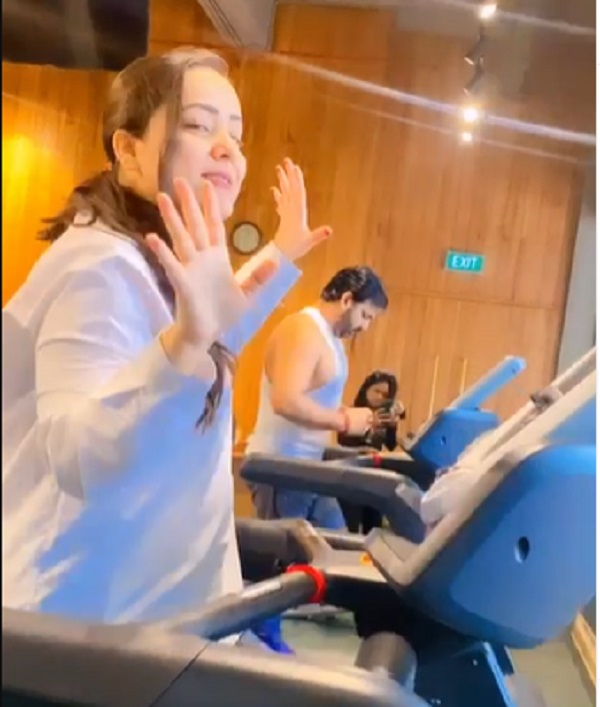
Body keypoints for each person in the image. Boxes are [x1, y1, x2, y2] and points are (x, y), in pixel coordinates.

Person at [1, 47, 331, 652]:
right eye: (199, 125)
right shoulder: (99, 267)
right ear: (128, 151)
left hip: (153, 619)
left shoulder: (145, 255)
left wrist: (280, 256)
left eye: (236, 135)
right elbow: (78, 456)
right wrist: (188, 338)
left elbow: (209, 334)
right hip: (89, 634)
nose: (227, 149)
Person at [246, 266, 389, 530]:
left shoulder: (330, 338)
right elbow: (285, 400)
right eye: (365, 315)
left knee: (338, 548)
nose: (365, 326)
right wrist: (344, 422)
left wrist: (348, 414)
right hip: (282, 469)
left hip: (308, 467)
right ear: (347, 300)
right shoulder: (303, 330)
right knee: (289, 553)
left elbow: (314, 399)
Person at [337, 370, 406, 533]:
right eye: (376, 391)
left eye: (385, 395)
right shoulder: (353, 413)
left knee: (374, 521)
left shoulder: (384, 416)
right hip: (351, 473)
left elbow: (390, 445)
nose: (380, 397)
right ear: (366, 389)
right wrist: (368, 425)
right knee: (351, 521)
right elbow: (343, 441)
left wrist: (392, 427)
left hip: (373, 472)